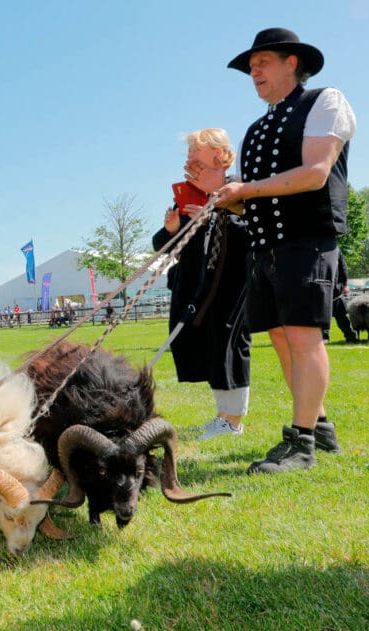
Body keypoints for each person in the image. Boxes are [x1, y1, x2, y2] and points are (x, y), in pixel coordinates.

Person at [210, 28, 356, 474]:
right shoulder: (256, 128)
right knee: (279, 336)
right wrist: (227, 199)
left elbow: (314, 173)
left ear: (292, 63)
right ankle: (322, 424)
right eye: (250, 67)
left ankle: (302, 444)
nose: (253, 72)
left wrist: (247, 188)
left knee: (302, 335)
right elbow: (254, 195)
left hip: (307, 239)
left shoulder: (325, 101)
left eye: (262, 63)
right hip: (266, 246)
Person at [154, 128, 251, 440]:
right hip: (198, 284)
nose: (190, 161)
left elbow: (249, 231)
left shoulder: (239, 187)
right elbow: (165, 246)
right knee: (209, 346)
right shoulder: (189, 192)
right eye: (189, 155)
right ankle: (223, 416)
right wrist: (172, 229)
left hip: (232, 281)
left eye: (196, 153)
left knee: (230, 342)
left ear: (219, 155)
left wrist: (212, 217)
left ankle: (234, 420)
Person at [330, 251, 358, 343]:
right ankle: (324, 337)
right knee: (321, 315)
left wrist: (345, 284)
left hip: (335, 290)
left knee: (341, 315)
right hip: (321, 289)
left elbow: (343, 268)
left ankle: (350, 336)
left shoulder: (337, 251)